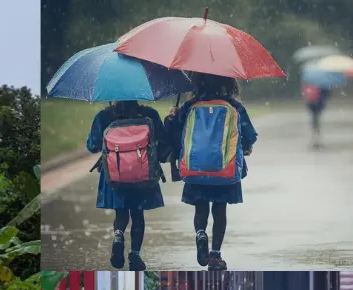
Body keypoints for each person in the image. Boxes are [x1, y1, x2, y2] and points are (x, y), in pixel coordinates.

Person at [165, 73, 257, 271]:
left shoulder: (190, 107)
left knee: (200, 208)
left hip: (195, 167)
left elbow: (174, 137)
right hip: (224, 168)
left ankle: (200, 233)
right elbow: (249, 135)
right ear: (228, 82)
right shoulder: (234, 107)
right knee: (220, 210)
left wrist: (173, 117)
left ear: (196, 82)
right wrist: (246, 146)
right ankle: (215, 255)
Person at [86, 101, 169, 271]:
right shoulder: (149, 115)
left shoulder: (104, 116)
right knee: (137, 213)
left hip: (114, 173)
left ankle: (118, 236)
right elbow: (162, 145)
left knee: (121, 211)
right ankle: (135, 255)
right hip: (142, 173)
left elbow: (92, 145)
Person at [302, 83, 332, 148]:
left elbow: (305, 94)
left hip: (312, 104)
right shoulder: (322, 84)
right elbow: (327, 95)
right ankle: (316, 137)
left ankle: (315, 137)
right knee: (316, 120)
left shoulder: (308, 82)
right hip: (317, 104)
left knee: (314, 120)